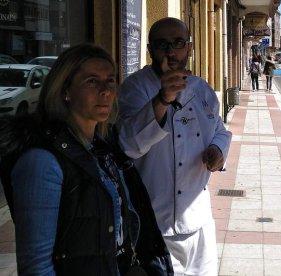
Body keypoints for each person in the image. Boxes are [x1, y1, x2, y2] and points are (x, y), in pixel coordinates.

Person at [0, 43, 173, 276]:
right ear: (65, 90)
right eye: (91, 81)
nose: (105, 90)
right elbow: (36, 266)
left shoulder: (104, 150)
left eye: (110, 80)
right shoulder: (42, 161)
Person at [116, 18, 232, 276]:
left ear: (189, 48)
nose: (171, 51)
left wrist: (218, 150)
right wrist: (163, 98)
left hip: (199, 223)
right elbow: (129, 145)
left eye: (178, 43)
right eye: (162, 44)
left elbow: (220, 131)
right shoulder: (135, 88)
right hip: (155, 227)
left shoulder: (203, 90)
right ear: (149, 50)